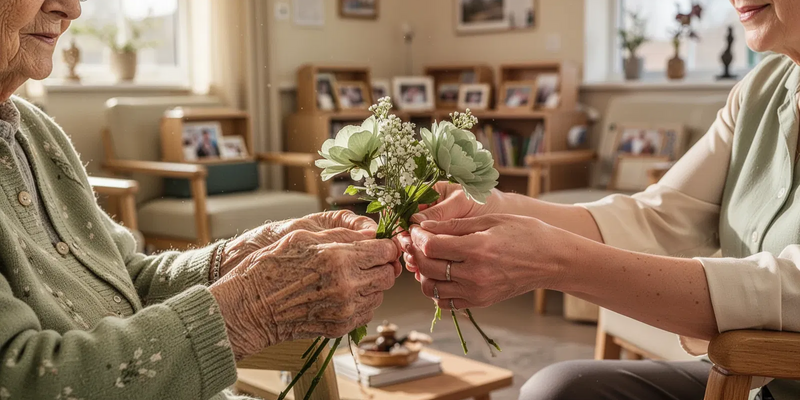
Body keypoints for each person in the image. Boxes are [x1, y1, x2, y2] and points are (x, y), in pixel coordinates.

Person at [0, 2, 401, 399]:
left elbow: (127, 280)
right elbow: (21, 382)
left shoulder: (36, 129)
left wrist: (241, 255)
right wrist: (250, 310)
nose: (71, 9)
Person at [400, 1, 800, 398]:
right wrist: (491, 207)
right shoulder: (760, 90)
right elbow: (658, 217)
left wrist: (556, 262)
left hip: (764, 377)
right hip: (749, 381)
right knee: (557, 391)